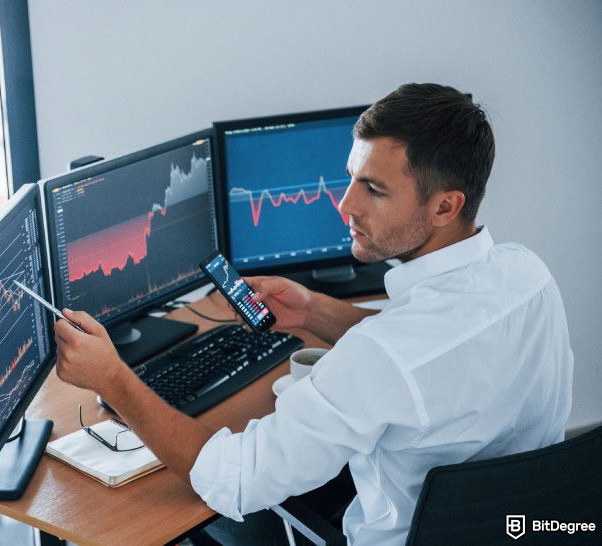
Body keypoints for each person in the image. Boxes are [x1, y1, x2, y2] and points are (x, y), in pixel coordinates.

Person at [53, 83, 573, 545]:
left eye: (374, 188)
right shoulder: (528, 276)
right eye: (351, 178)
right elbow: (431, 362)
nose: (345, 204)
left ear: (444, 207)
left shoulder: (383, 357)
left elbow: (232, 480)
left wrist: (114, 379)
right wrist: (312, 311)